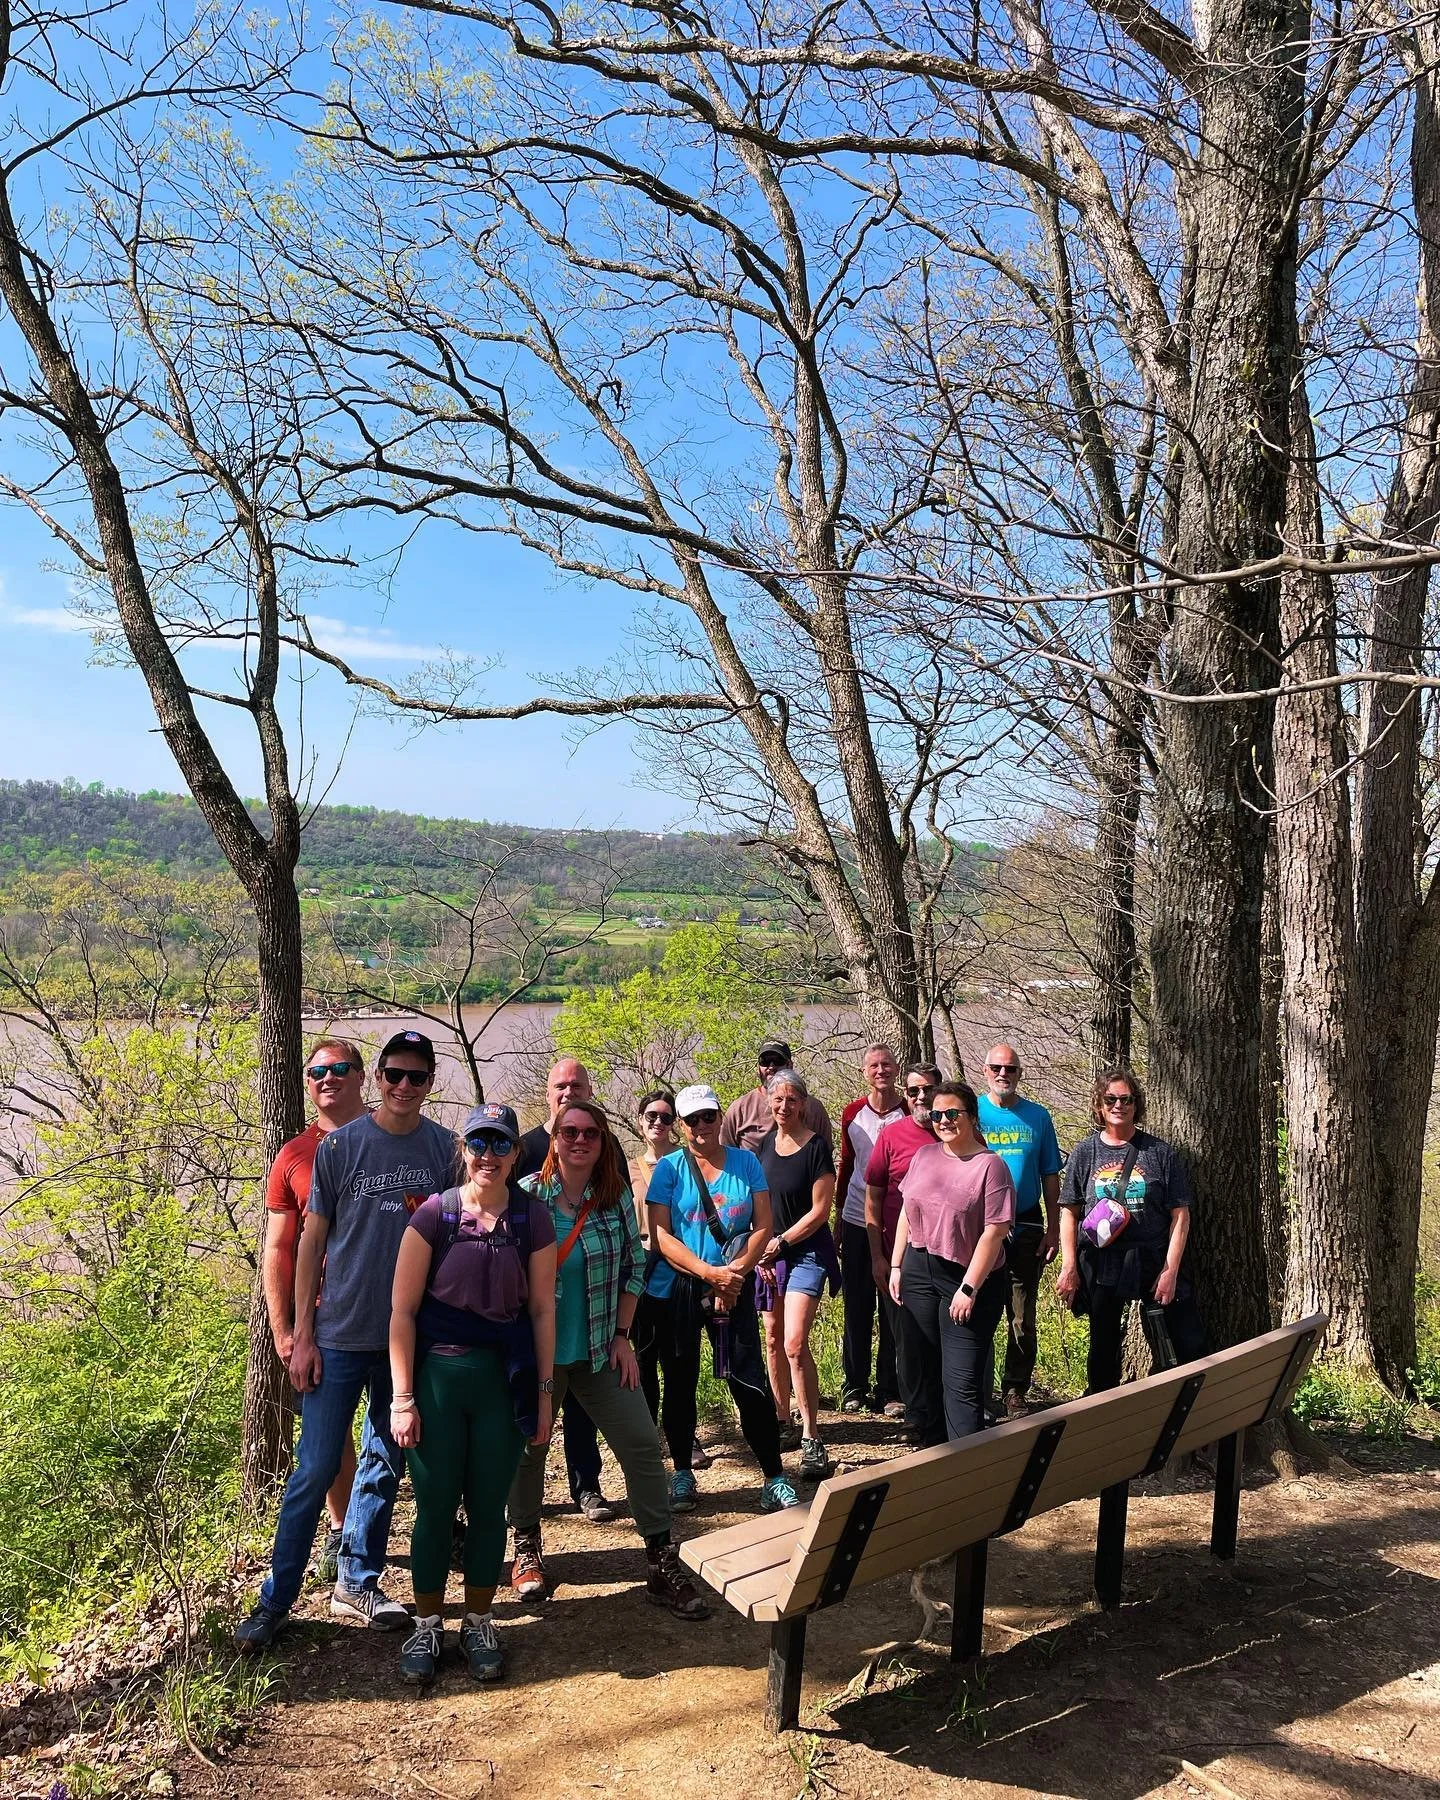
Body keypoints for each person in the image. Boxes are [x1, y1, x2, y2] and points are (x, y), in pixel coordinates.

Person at [235, 1029, 461, 1650]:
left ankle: (357, 1580)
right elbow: (308, 1243)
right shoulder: (338, 1151)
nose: (404, 1086)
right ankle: (276, 1601)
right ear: (379, 1077)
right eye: (395, 1074)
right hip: (337, 1335)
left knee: (385, 1463)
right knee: (312, 1469)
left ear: (429, 1082)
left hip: (406, 1340)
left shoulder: (444, 1150)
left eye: (417, 1076)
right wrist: (301, 1332)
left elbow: (459, 1238)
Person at [506, 1099, 711, 1620]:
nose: (579, 1141)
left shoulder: (615, 1197)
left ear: (602, 1143)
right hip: (541, 1360)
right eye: (569, 1132)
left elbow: (635, 1266)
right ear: (553, 1139)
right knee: (529, 1450)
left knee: (642, 1445)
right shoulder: (526, 1199)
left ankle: (661, 1556)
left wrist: (623, 1334)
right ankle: (526, 1544)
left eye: (590, 1134)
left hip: (599, 1352)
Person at [387, 1104, 557, 1683]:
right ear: (464, 1149)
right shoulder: (433, 1216)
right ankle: (427, 1625)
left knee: (489, 1507)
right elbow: (402, 1313)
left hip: (501, 1381)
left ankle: (480, 1619)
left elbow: (540, 1310)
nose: (489, 1155)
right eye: (479, 1143)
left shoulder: (532, 1219)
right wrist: (402, 1397)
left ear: (515, 1154)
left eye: (501, 1145)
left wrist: (543, 1392)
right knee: (434, 1505)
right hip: (438, 1380)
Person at [643, 1084, 800, 1514]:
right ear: (681, 1124)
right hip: (681, 1289)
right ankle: (681, 1473)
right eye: (691, 1120)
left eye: (707, 1117)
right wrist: (709, 1273)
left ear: (718, 1117)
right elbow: (660, 1235)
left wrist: (734, 1275)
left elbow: (764, 1224)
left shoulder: (746, 1163)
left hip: (735, 1286)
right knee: (679, 1381)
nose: (700, 1127)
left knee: (747, 1380)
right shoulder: (669, 1170)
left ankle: (774, 1477)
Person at [262, 1037, 367, 1583]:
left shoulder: (394, 1139)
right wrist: (285, 1331)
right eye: (317, 1071)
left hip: (396, 1314)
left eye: (340, 1068)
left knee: (418, 1423)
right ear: (306, 1082)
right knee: (327, 1444)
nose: (328, 1077)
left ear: (361, 1076)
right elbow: (278, 1247)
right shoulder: (294, 1156)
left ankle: (440, 1523)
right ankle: (344, 1531)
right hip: (322, 1321)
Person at [1056, 1068, 1208, 1393]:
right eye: (1111, 1099)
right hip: (1102, 1261)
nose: (1118, 1105)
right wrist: (1069, 1267)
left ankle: (1190, 1416)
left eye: (1126, 1099)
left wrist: (1170, 1270)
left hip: (1152, 1257)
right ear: (1099, 1104)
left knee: (1189, 1342)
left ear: (1136, 1105)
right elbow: (1068, 1213)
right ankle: (1103, 1421)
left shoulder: (1160, 1153)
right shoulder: (1085, 1153)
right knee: (1103, 1350)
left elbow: (1180, 1215)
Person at [514, 1056, 614, 1525]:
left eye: (577, 1084)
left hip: (588, 1307)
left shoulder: (602, 1143)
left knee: (582, 1410)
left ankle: (586, 1485)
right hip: (538, 1313)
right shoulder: (527, 1147)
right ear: (548, 1092)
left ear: (589, 1091)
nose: (568, 1091)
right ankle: (521, 1522)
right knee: (532, 1420)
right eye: (560, 1085)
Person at [889, 1080, 1013, 1442]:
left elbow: (994, 1232)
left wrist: (969, 1288)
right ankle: (932, 1464)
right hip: (918, 1270)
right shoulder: (925, 1157)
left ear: (972, 1117)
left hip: (968, 1278)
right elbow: (906, 1213)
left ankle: (967, 1473)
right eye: (937, 1114)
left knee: (960, 1382)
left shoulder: (991, 1167)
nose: (943, 1120)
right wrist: (897, 1265)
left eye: (952, 1113)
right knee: (923, 1374)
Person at [754, 1070, 840, 1480]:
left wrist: (781, 1242)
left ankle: (812, 1437)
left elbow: (820, 1212)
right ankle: (781, 1419)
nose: (784, 1106)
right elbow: (757, 1206)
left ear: (803, 1103)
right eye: (778, 1099)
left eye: (792, 1099)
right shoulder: (764, 1147)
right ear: (768, 1101)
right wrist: (760, 1251)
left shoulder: (817, 1147)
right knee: (772, 1339)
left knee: (793, 1342)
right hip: (769, 1257)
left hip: (806, 1254)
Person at [977, 1044, 1063, 1418]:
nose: (1003, 1074)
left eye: (1010, 1069)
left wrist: (1055, 1228)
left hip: (1026, 1223)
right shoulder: (971, 1113)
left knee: (1022, 1319)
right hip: (978, 1227)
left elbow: (1050, 1175)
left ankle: (1014, 1389)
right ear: (985, 1071)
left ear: (1019, 1073)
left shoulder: (1038, 1117)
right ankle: (976, 1392)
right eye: (996, 1068)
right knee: (977, 1310)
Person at [864, 1061, 942, 1439]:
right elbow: (873, 1199)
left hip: (949, 1255)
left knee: (951, 1333)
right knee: (909, 1338)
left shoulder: (957, 1131)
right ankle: (919, 1412)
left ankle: (956, 1409)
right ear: (905, 1096)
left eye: (927, 1089)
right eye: (913, 1091)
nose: (921, 1097)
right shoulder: (891, 1136)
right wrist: (878, 1256)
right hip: (902, 1254)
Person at [835, 1045, 907, 1414]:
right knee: (857, 1306)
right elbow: (847, 1166)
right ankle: (855, 1385)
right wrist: (837, 1220)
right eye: (873, 1066)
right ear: (864, 1071)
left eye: (887, 1065)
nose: (881, 1071)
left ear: (896, 1070)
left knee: (892, 1304)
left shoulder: (909, 1111)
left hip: (896, 1221)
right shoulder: (852, 1113)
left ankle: (890, 1388)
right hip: (855, 1218)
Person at [721, 1039, 833, 1154]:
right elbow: (725, 1156)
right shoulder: (739, 1109)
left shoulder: (813, 1108)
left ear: (790, 1065)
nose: (771, 1067)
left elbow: (825, 1154)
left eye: (777, 1061)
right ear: (758, 1067)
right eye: (765, 1061)